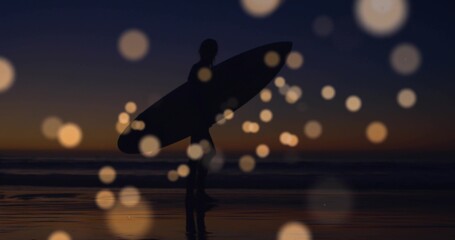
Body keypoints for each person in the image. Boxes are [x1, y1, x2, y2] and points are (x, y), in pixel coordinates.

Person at [185, 38, 218, 234]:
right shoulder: (199, 68)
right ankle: (196, 194)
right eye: (211, 50)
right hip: (196, 120)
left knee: (196, 156)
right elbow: (193, 95)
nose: (213, 54)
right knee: (206, 154)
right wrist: (202, 116)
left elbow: (209, 95)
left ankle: (193, 194)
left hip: (198, 120)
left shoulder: (205, 69)